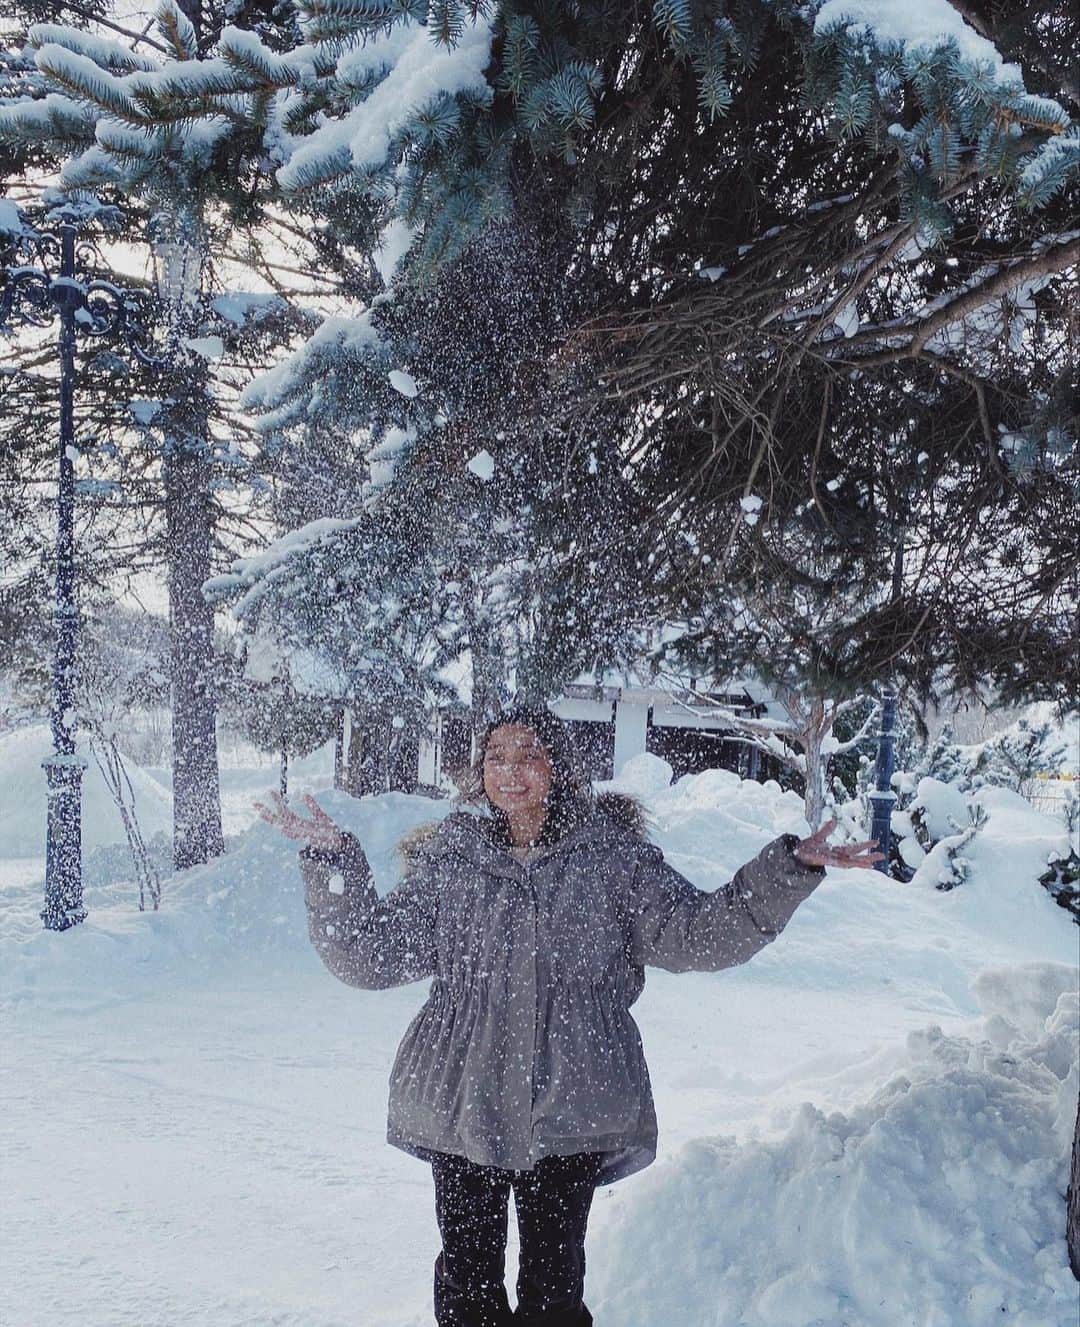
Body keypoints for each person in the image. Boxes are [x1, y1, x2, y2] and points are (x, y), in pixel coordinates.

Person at [255, 704, 882, 1326]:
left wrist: (787, 871)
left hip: (573, 1102)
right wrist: (335, 862)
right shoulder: (452, 862)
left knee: (552, 1291)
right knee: (468, 1285)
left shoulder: (612, 859)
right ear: (479, 772)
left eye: (528, 754)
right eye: (496, 757)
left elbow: (699, 932)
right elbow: (370, 955)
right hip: (466, 1103)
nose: (511, 771)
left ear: (558, 766)